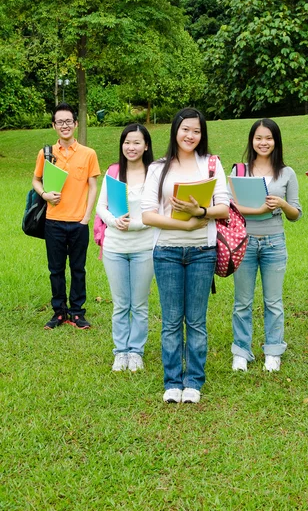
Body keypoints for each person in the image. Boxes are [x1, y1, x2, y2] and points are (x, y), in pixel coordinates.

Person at [142, 108, 229, 404]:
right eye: (185, 130)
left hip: (202, 251)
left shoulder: (211, 165)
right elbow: (148, 215)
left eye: (196, 131)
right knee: (170, 320)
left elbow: (224, 208)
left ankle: (193, 380)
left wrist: (200, 212)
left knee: (195, 320)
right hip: (166, 251)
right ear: (175, 131)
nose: (190, 136)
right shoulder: (158, 167)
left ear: (202, 134)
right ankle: (172, 381)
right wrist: (184, 223)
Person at [230, 119, 302, 373]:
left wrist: (282, 205)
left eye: (269, 138)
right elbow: (229, 207)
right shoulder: (239, 171)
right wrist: (259, 209)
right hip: (244, 243)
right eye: (259, 138)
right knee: (243, 301)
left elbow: (296, 214)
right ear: (252, 141)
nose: (263, 143)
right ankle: (241, 351)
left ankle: (273, 350)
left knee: (273, 301)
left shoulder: (287, 173)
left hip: (274, 243)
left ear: (276, 141)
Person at [32, 102, 100, 329]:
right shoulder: (46, 153)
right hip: (53, 221)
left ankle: (78, 312)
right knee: (56, 269)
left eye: (68, 121)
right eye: (60, 122)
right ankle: (59, 312)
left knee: (78, 269)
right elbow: (36, 180)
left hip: (79, 222)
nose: (64, 125)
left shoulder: (88, 154)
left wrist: (86, 217)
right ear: (54, 125)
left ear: (76, 123)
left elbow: (93, 186)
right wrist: (44, 194)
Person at [96, 124, 154, 372]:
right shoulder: (113, 172)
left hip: (145, 246)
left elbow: (160, 210)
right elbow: (101, 206)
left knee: (139, 304)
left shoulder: (155, 174)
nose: (131, 147)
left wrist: (137, 225)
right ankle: (121, 351)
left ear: (146, 146)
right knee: (121, 303)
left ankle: (136, 352)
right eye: (127, 142)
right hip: (115, 247)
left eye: (137, 142)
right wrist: (113, 221)